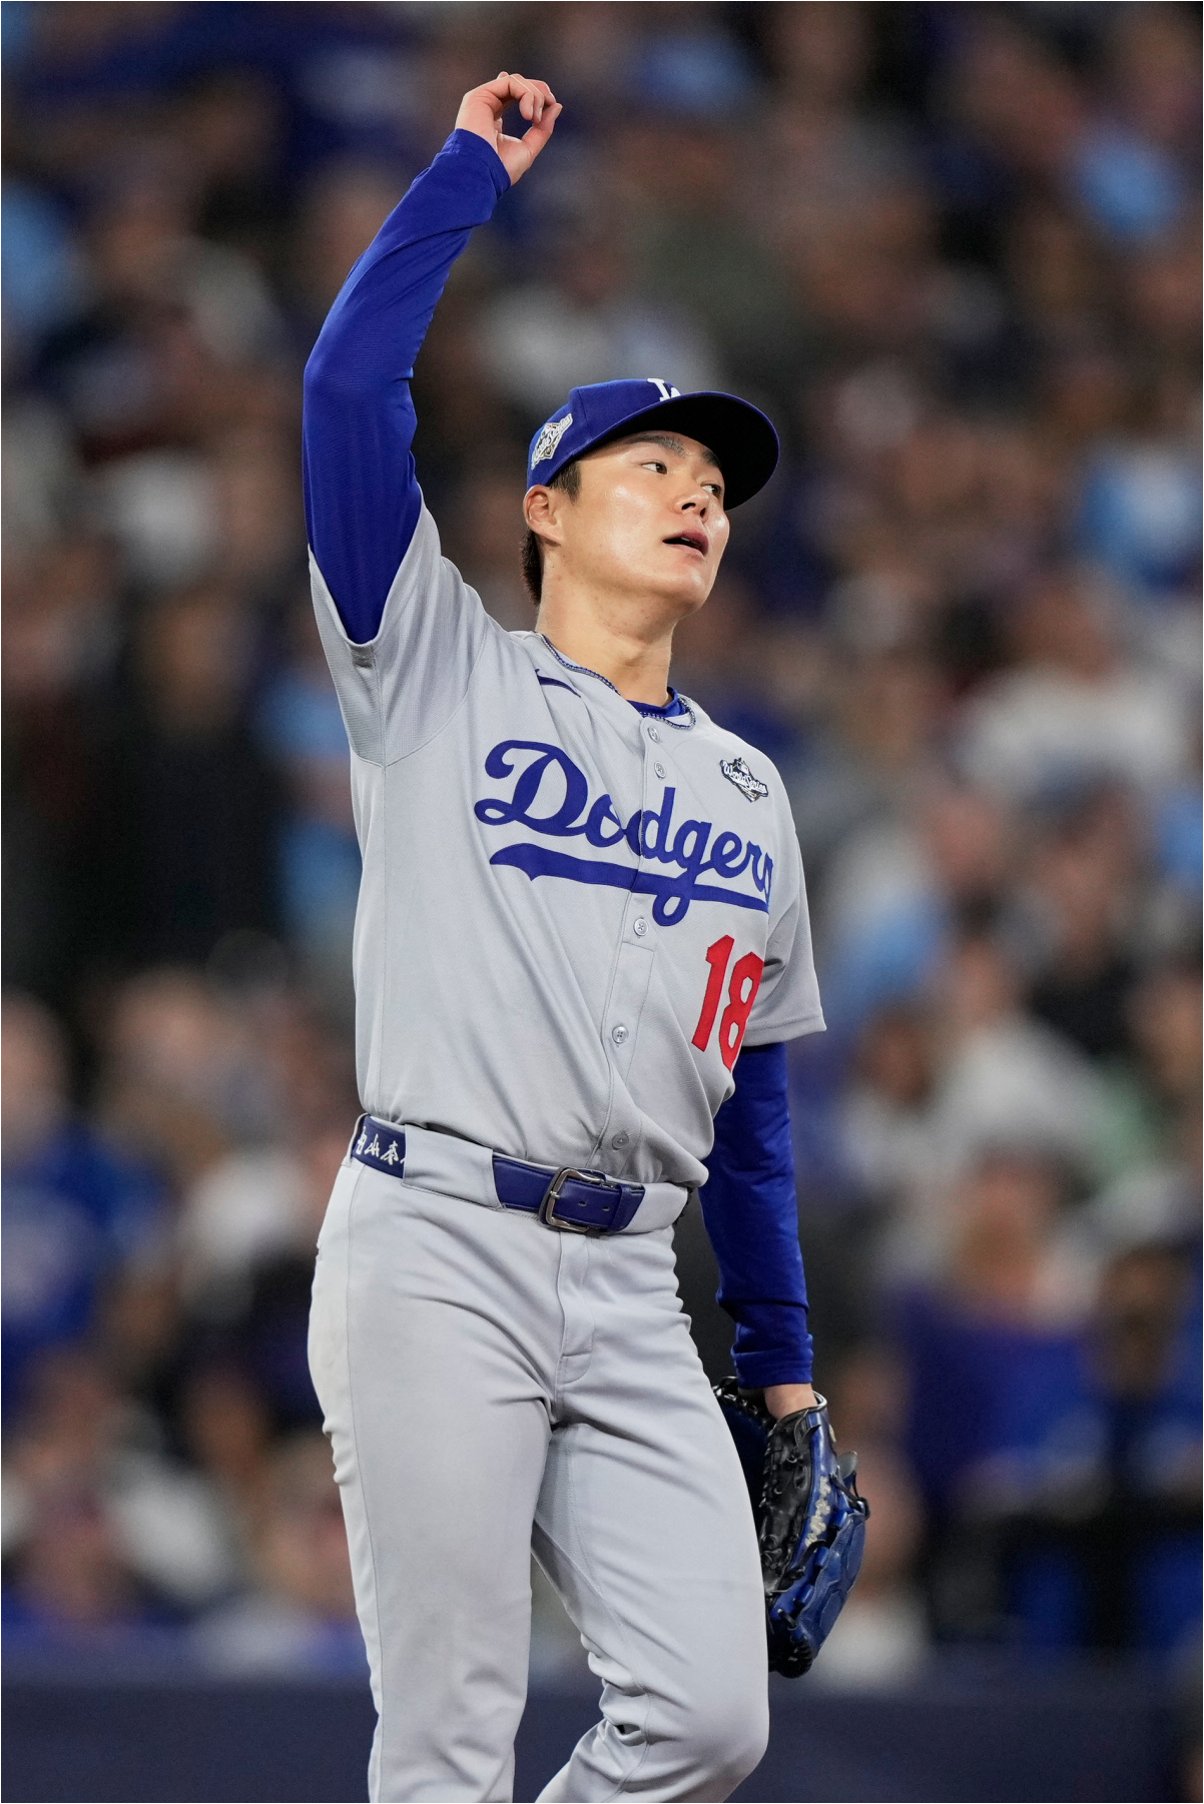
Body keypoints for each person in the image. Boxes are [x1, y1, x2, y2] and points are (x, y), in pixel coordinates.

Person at [304, 73, 830, 1803]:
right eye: (653, 465)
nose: (697, 494)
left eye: (715, 480)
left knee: (710, 1719)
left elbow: (753, 1111)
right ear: (544, 507)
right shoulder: (433, 667)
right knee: (449, 1737)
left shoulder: (749, 789)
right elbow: (346, 388)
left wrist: (784, 1372)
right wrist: (468, 172)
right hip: (438, 1242)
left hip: (630, 1281)